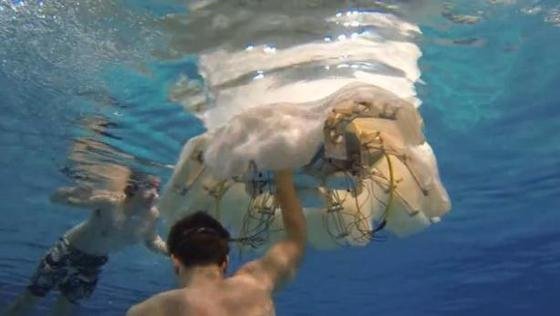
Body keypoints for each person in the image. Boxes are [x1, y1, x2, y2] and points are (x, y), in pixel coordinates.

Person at [127, 170, 307, 316]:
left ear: (175, 262)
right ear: (225, 262)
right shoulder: (255, 285)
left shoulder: (148, 311)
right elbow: (296, 238)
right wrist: (283, 176)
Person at [4, 171, 168, 316]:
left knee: (65, 311)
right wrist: (72, 191)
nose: (154, 194)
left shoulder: (152, 216)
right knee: (28, 301)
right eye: (148, 187)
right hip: (66, 253)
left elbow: (152, 240)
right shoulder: (110, 203)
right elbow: (56, 199)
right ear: (133, 188)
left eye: (157, 189)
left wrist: (173, 250)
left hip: (92, 265)